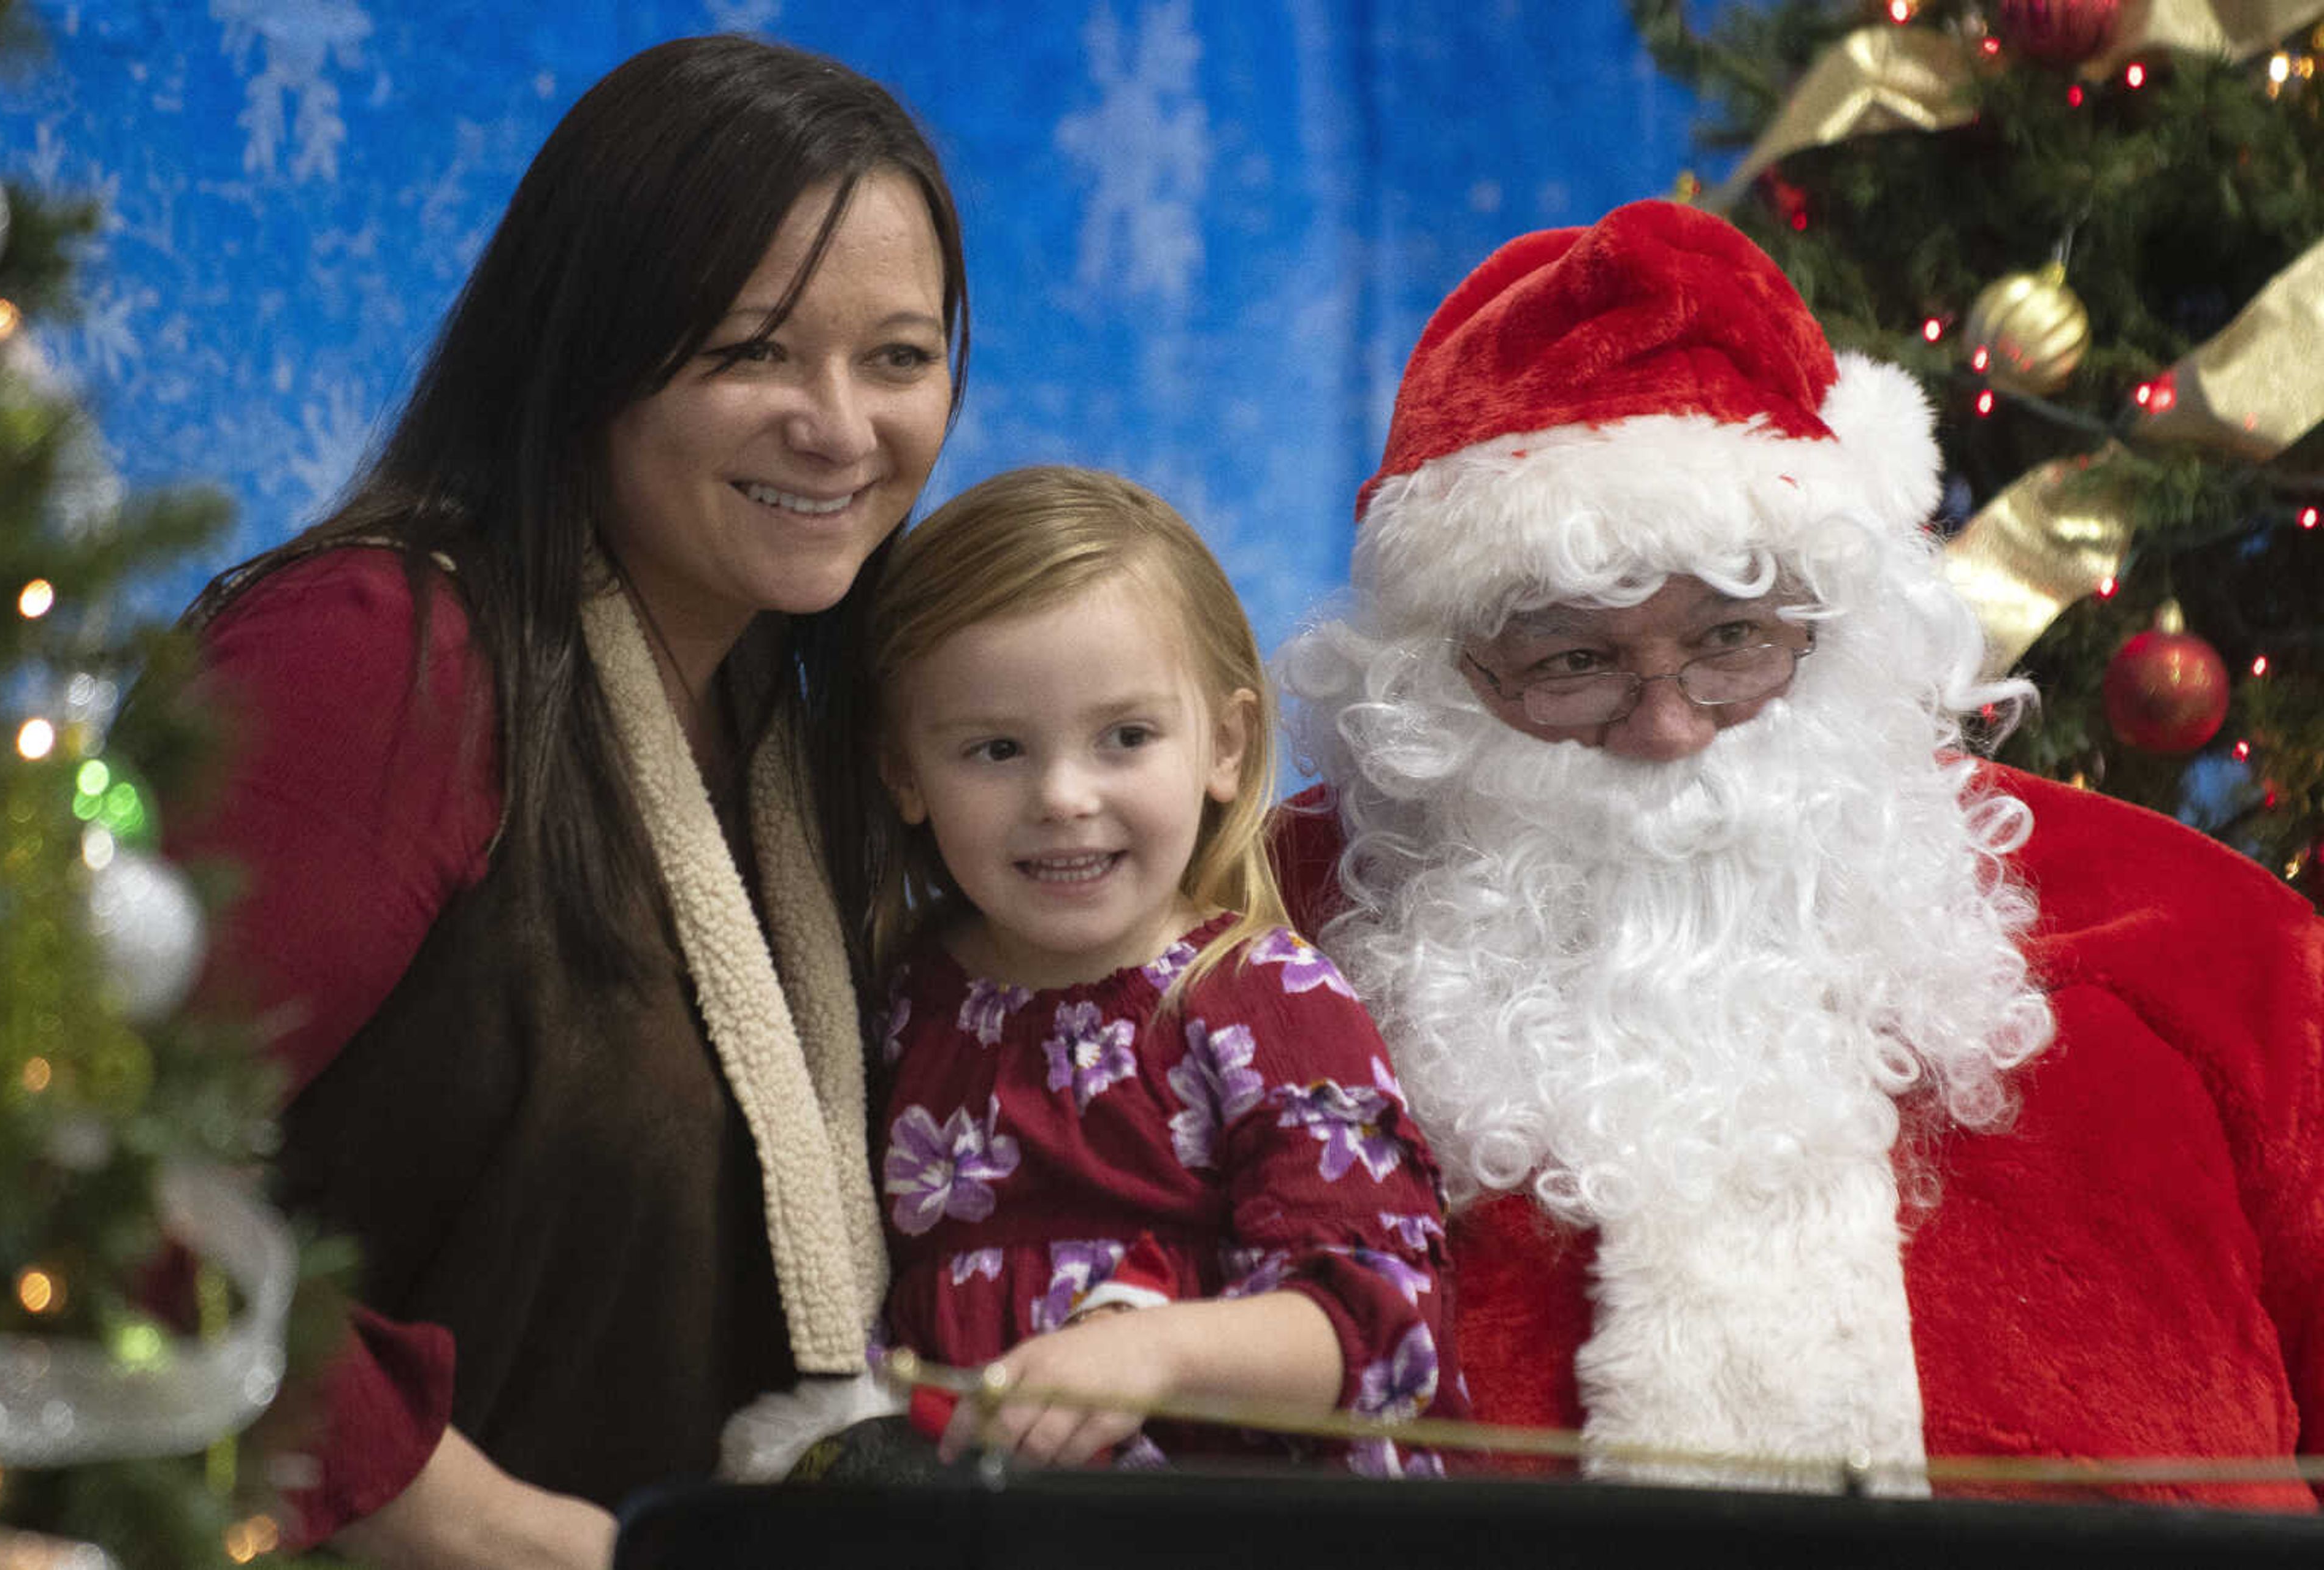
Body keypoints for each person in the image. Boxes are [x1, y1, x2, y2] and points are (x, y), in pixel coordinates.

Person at [1277, 199, 2324, 1507]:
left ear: (1848, 629)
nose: (1665, 732)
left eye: (1732, 643)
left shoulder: (2216, 956)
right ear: (1439, 689)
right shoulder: (1259, 946)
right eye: (1573, 663)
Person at [162, 35, 968, 1564]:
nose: (842, 428)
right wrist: (452, 1513)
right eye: (751, 351)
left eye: (900, 357)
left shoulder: (812, 731)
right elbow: (73, 1138)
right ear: (588, 351)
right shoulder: (383, 656)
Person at [857, 465, 1463, 1474]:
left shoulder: (1265, 999)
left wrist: (1151, 1353)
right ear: (905, 773)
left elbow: (1385, 1319)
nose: (1061, 795)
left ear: (1223, 745)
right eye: (996, 748)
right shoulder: (902, 1004)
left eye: (1125, 737)